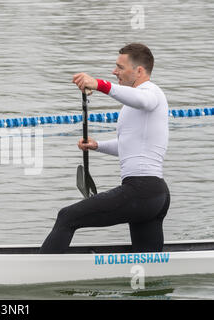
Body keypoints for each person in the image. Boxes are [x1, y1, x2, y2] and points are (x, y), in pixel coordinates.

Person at [40, 43, 171, 254]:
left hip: (141, 191)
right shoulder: (134, 103)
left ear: (139, 71)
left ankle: (40, 275)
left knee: (67, 217)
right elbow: (129, 147)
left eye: (120, 67)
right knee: (148, 265)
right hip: (154, 195)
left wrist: (99, 84)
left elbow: (143, 100)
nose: (114, 71)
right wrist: (97, 145)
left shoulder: (151, 93)